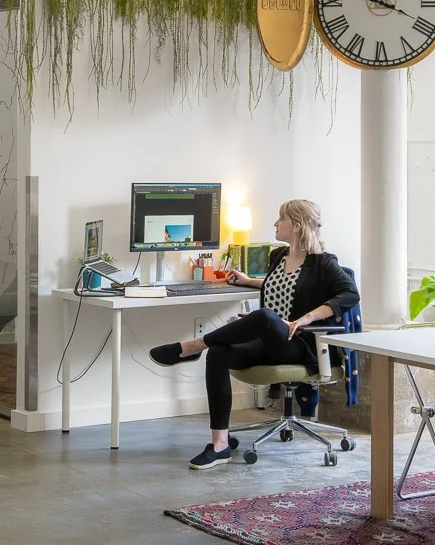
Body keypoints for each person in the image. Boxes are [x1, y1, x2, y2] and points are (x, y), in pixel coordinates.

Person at [147, 200, 359, 470]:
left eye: (279, 219)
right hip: (268, 341)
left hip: (297, 344)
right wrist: (249, 281)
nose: (275, 224)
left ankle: (192, 346)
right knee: (219, 351)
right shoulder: (279, 257)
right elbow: (285, 285)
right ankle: (220, 445)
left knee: (263, 316)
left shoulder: (324, 263)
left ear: (295, 226)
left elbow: (350, 295)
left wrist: (306, 318)